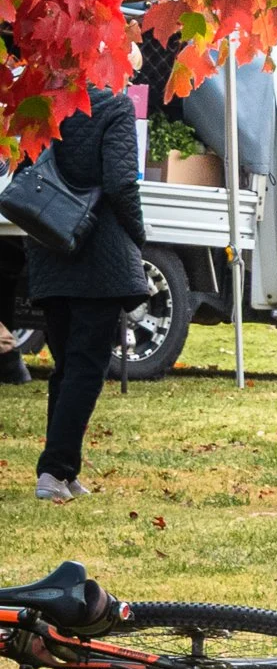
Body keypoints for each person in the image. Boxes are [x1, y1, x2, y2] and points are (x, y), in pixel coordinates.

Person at [25, 45, 150, 502]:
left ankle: (65, 468)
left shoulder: (40, 106)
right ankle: (53, 471)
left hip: (48, 246)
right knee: (85, 368)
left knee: (67, 367)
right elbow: (121, 182)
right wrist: (136, 235)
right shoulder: (115, 107)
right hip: (98, 259)